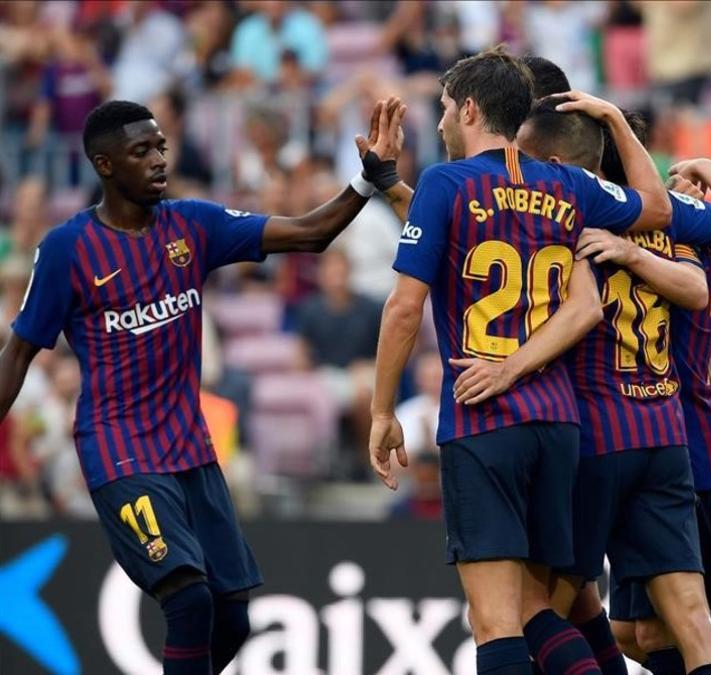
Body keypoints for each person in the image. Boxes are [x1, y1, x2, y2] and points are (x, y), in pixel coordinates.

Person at [0, 95, 406, 674]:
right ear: (104, 164)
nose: (159, 159)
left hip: (190, 450)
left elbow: (311, 233)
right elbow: (17, 355)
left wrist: (366, 181)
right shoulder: (67, 250)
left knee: (232, 615)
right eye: (141, 151)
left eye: (161, 146)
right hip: (121, 453)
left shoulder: (192, 224)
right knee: (188, 599)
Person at [367, 47, 671, 675]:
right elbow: (655, 205)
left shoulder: (445, 183)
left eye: (447, 108)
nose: (443, 121)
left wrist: (381, 411)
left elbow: (403, 308)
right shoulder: (567, 184)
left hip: (483, 419)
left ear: (472, 109)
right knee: (549, 604)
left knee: (496, 620)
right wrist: (615, 120)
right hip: (558, 425)